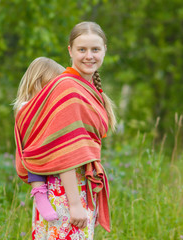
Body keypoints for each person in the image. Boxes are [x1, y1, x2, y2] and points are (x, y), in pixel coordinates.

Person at [14, 21, 116, 240]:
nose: (89, 56)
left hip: (78, 186)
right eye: (82, 49)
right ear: (70, 51)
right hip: (65, 190)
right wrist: (74, 204)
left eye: (95, 49)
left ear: (105, 50)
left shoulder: (87, 88)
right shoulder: (67, 87)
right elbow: (65, 151)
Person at [13, 57, 65, 221]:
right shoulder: (26, 106)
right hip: (34, 152)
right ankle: (39, 193)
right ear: (38, 83)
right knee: (32, 156)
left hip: (50, 151)